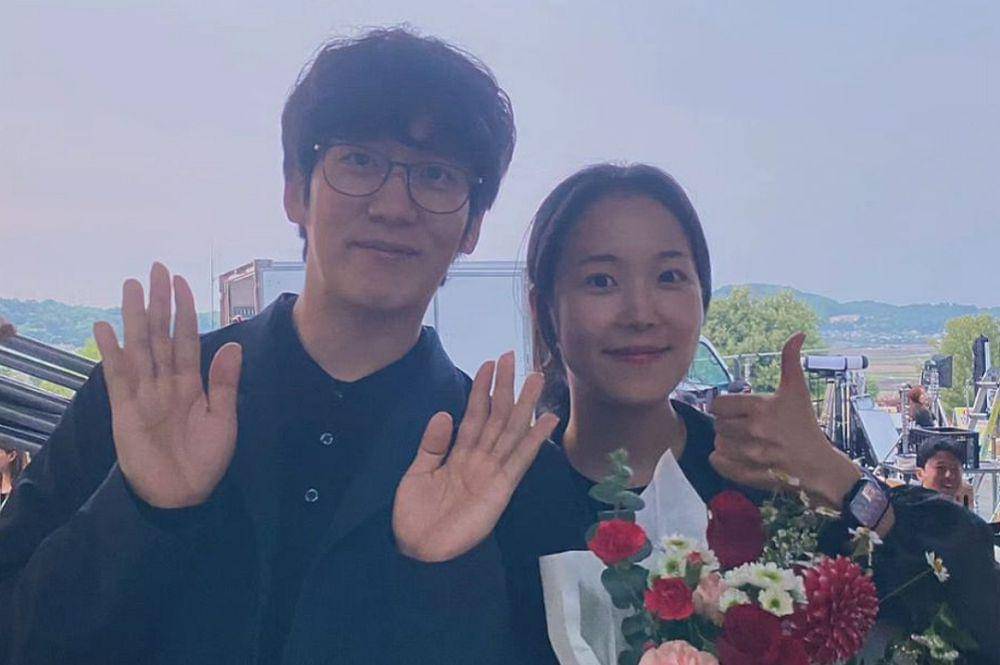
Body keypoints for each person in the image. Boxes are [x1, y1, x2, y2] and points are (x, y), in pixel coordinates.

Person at [0, 28, 557, 665]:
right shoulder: (148, 400)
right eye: (359, 160)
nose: (394, 206)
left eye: (436, 175)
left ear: (473, 225)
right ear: (296, 189)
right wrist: (141, 510)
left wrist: (442, 576)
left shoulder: (496, 460)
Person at [394, 163, 1000, 664]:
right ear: (544, 308)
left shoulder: (769, 481)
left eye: (669, 276)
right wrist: (431, 567)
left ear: (702, 299)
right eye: (601, 280)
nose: (640, 312)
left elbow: (977, 616)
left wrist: (842, 481)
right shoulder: (500, 498)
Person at [916, 437, 976, 508]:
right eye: (941, 468)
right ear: (920, 474)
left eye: (954, 468)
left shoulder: (963, 506)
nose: (949, 475)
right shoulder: (909, 509)